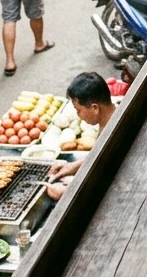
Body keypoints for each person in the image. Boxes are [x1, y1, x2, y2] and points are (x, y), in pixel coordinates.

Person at [43, 73, 117, 202]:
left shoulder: (112, 135)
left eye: (79, 110)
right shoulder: (113, 115)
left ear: (94, 108)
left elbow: (105, 181)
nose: (78, 115)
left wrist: (67, 194)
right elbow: (99, 158)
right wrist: (74, 166)